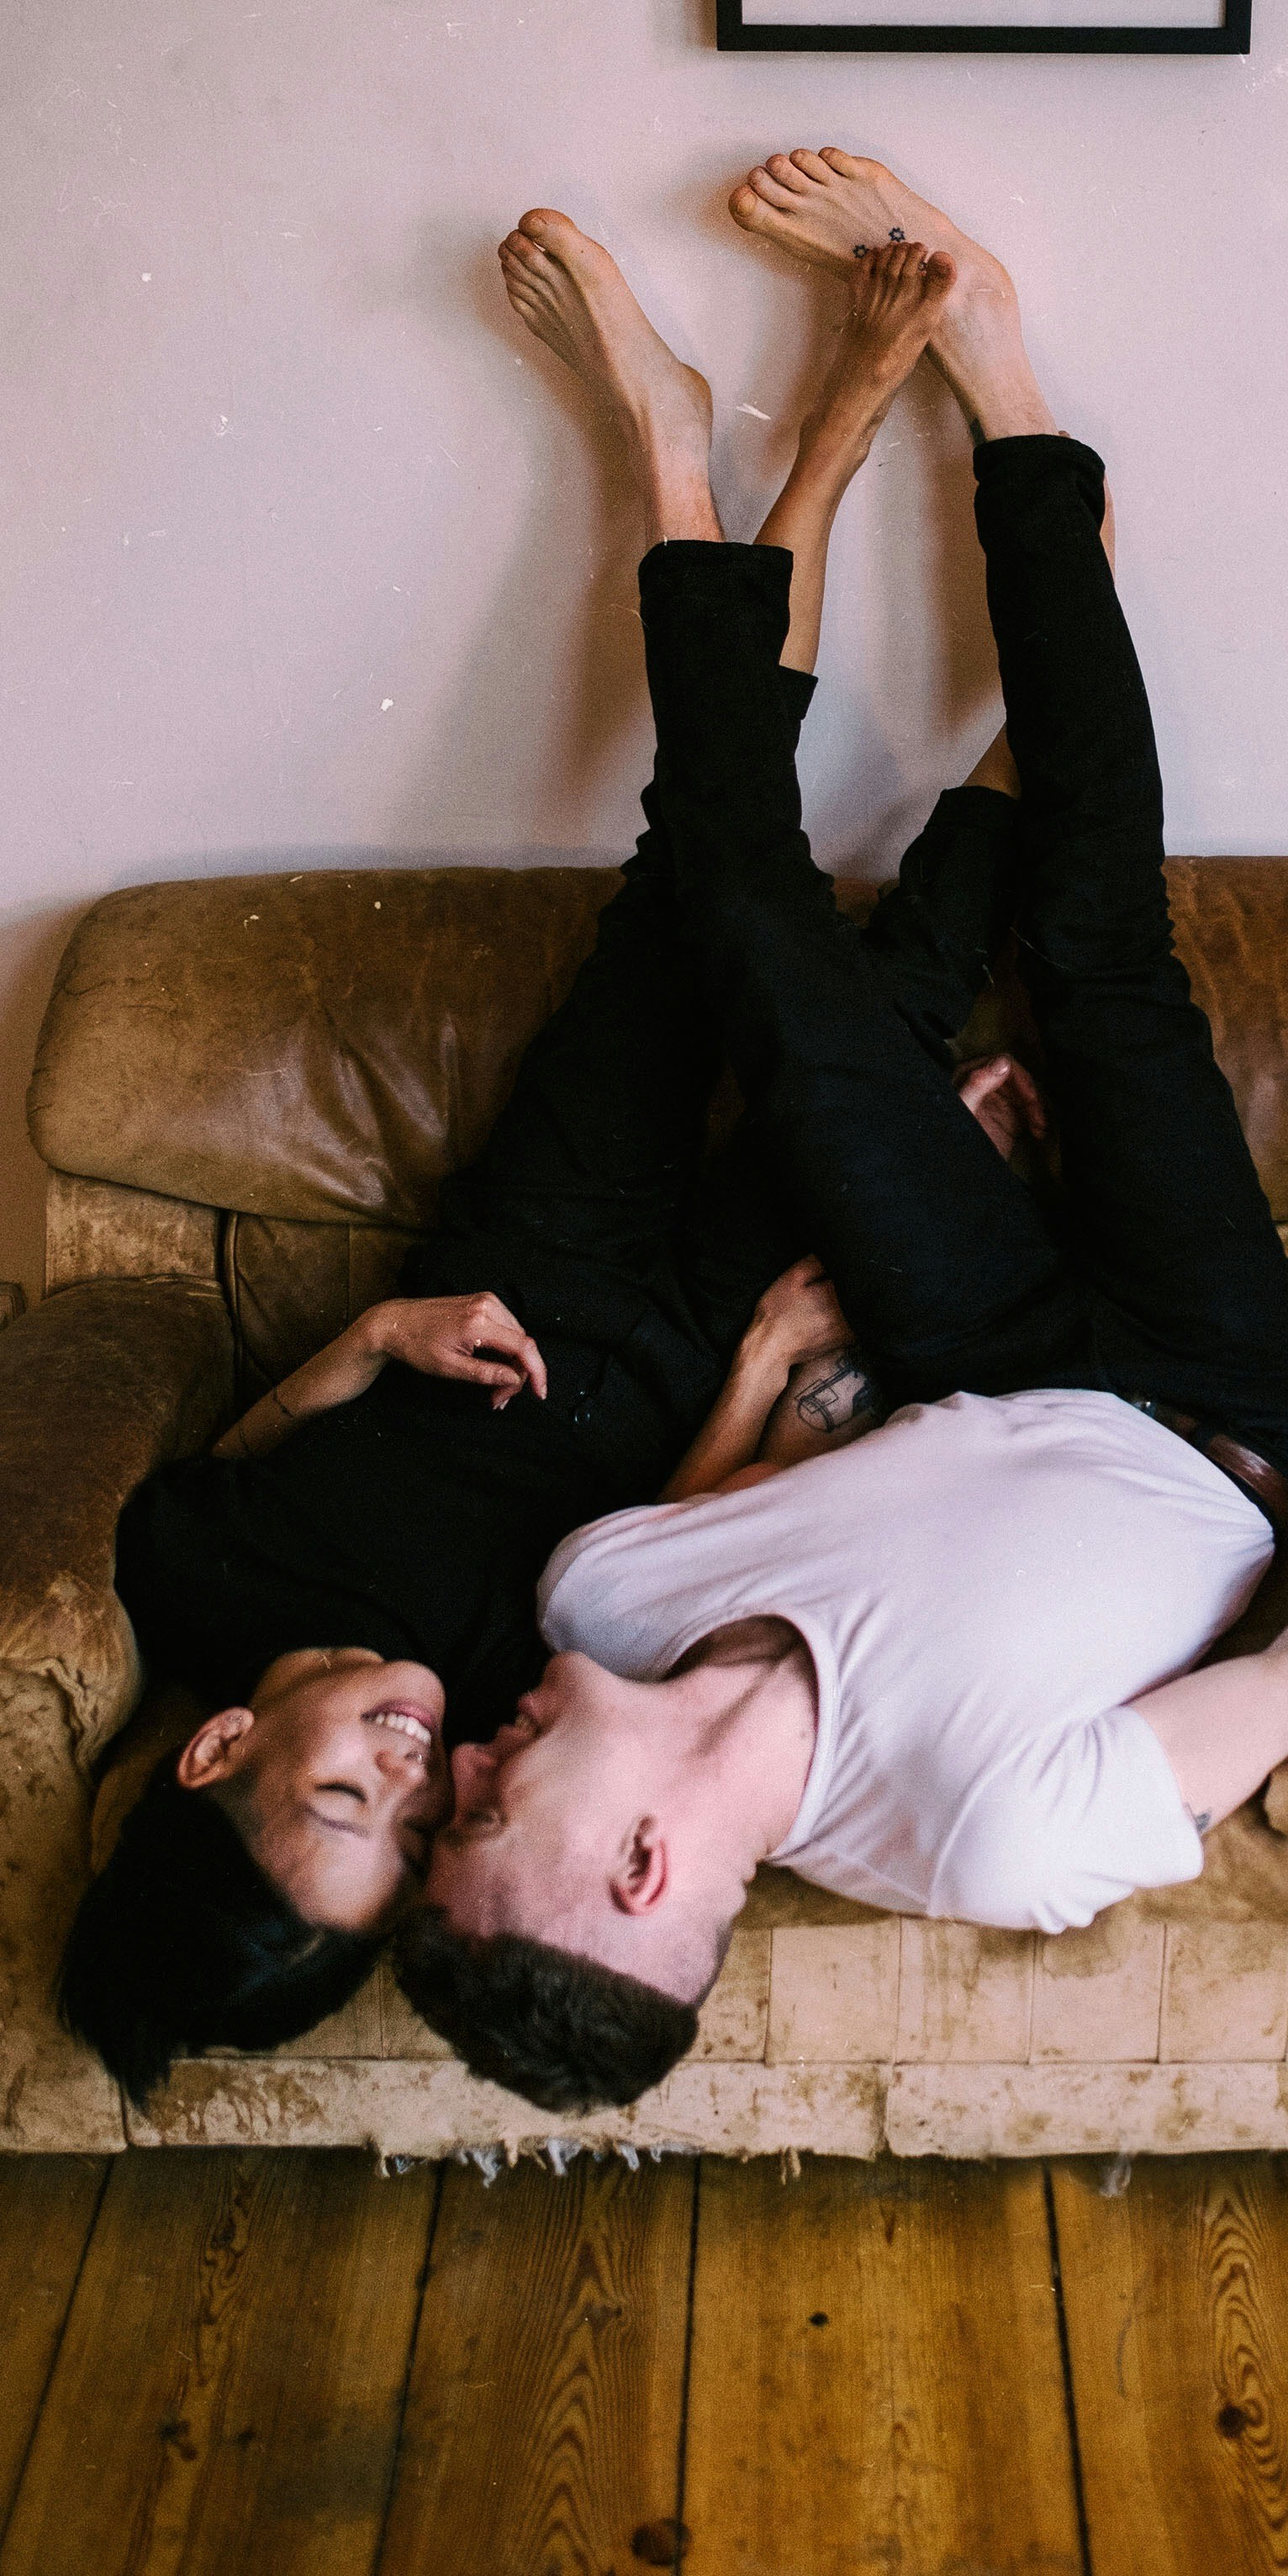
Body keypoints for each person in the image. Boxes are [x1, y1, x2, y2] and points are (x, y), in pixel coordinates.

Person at [399, 151, 1288, 2118]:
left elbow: (753, 1494)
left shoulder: (592, 1597)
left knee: (749, 924)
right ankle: (1010, 398)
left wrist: (827, 1318)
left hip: (956, 1336)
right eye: (485, 1812)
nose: (469, 1760)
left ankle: (682, 459)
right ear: (640, 1869)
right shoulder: (989, 1838)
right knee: (1097, 949)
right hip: (1202, 1403)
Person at [58, 228, 1032, 2104]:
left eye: (345, 1781)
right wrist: (759, 1367)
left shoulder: (187, 1575)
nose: (420, 1767)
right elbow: (638, 1561)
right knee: (902, 1006)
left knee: (696, 886)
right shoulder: (499, 1730)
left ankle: (744, 441)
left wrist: (376, 1338)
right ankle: (1043, 680)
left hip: (536, 1242)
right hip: (685, 1344)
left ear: (217, 1745)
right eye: (406, 1833)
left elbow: (261, 1434)